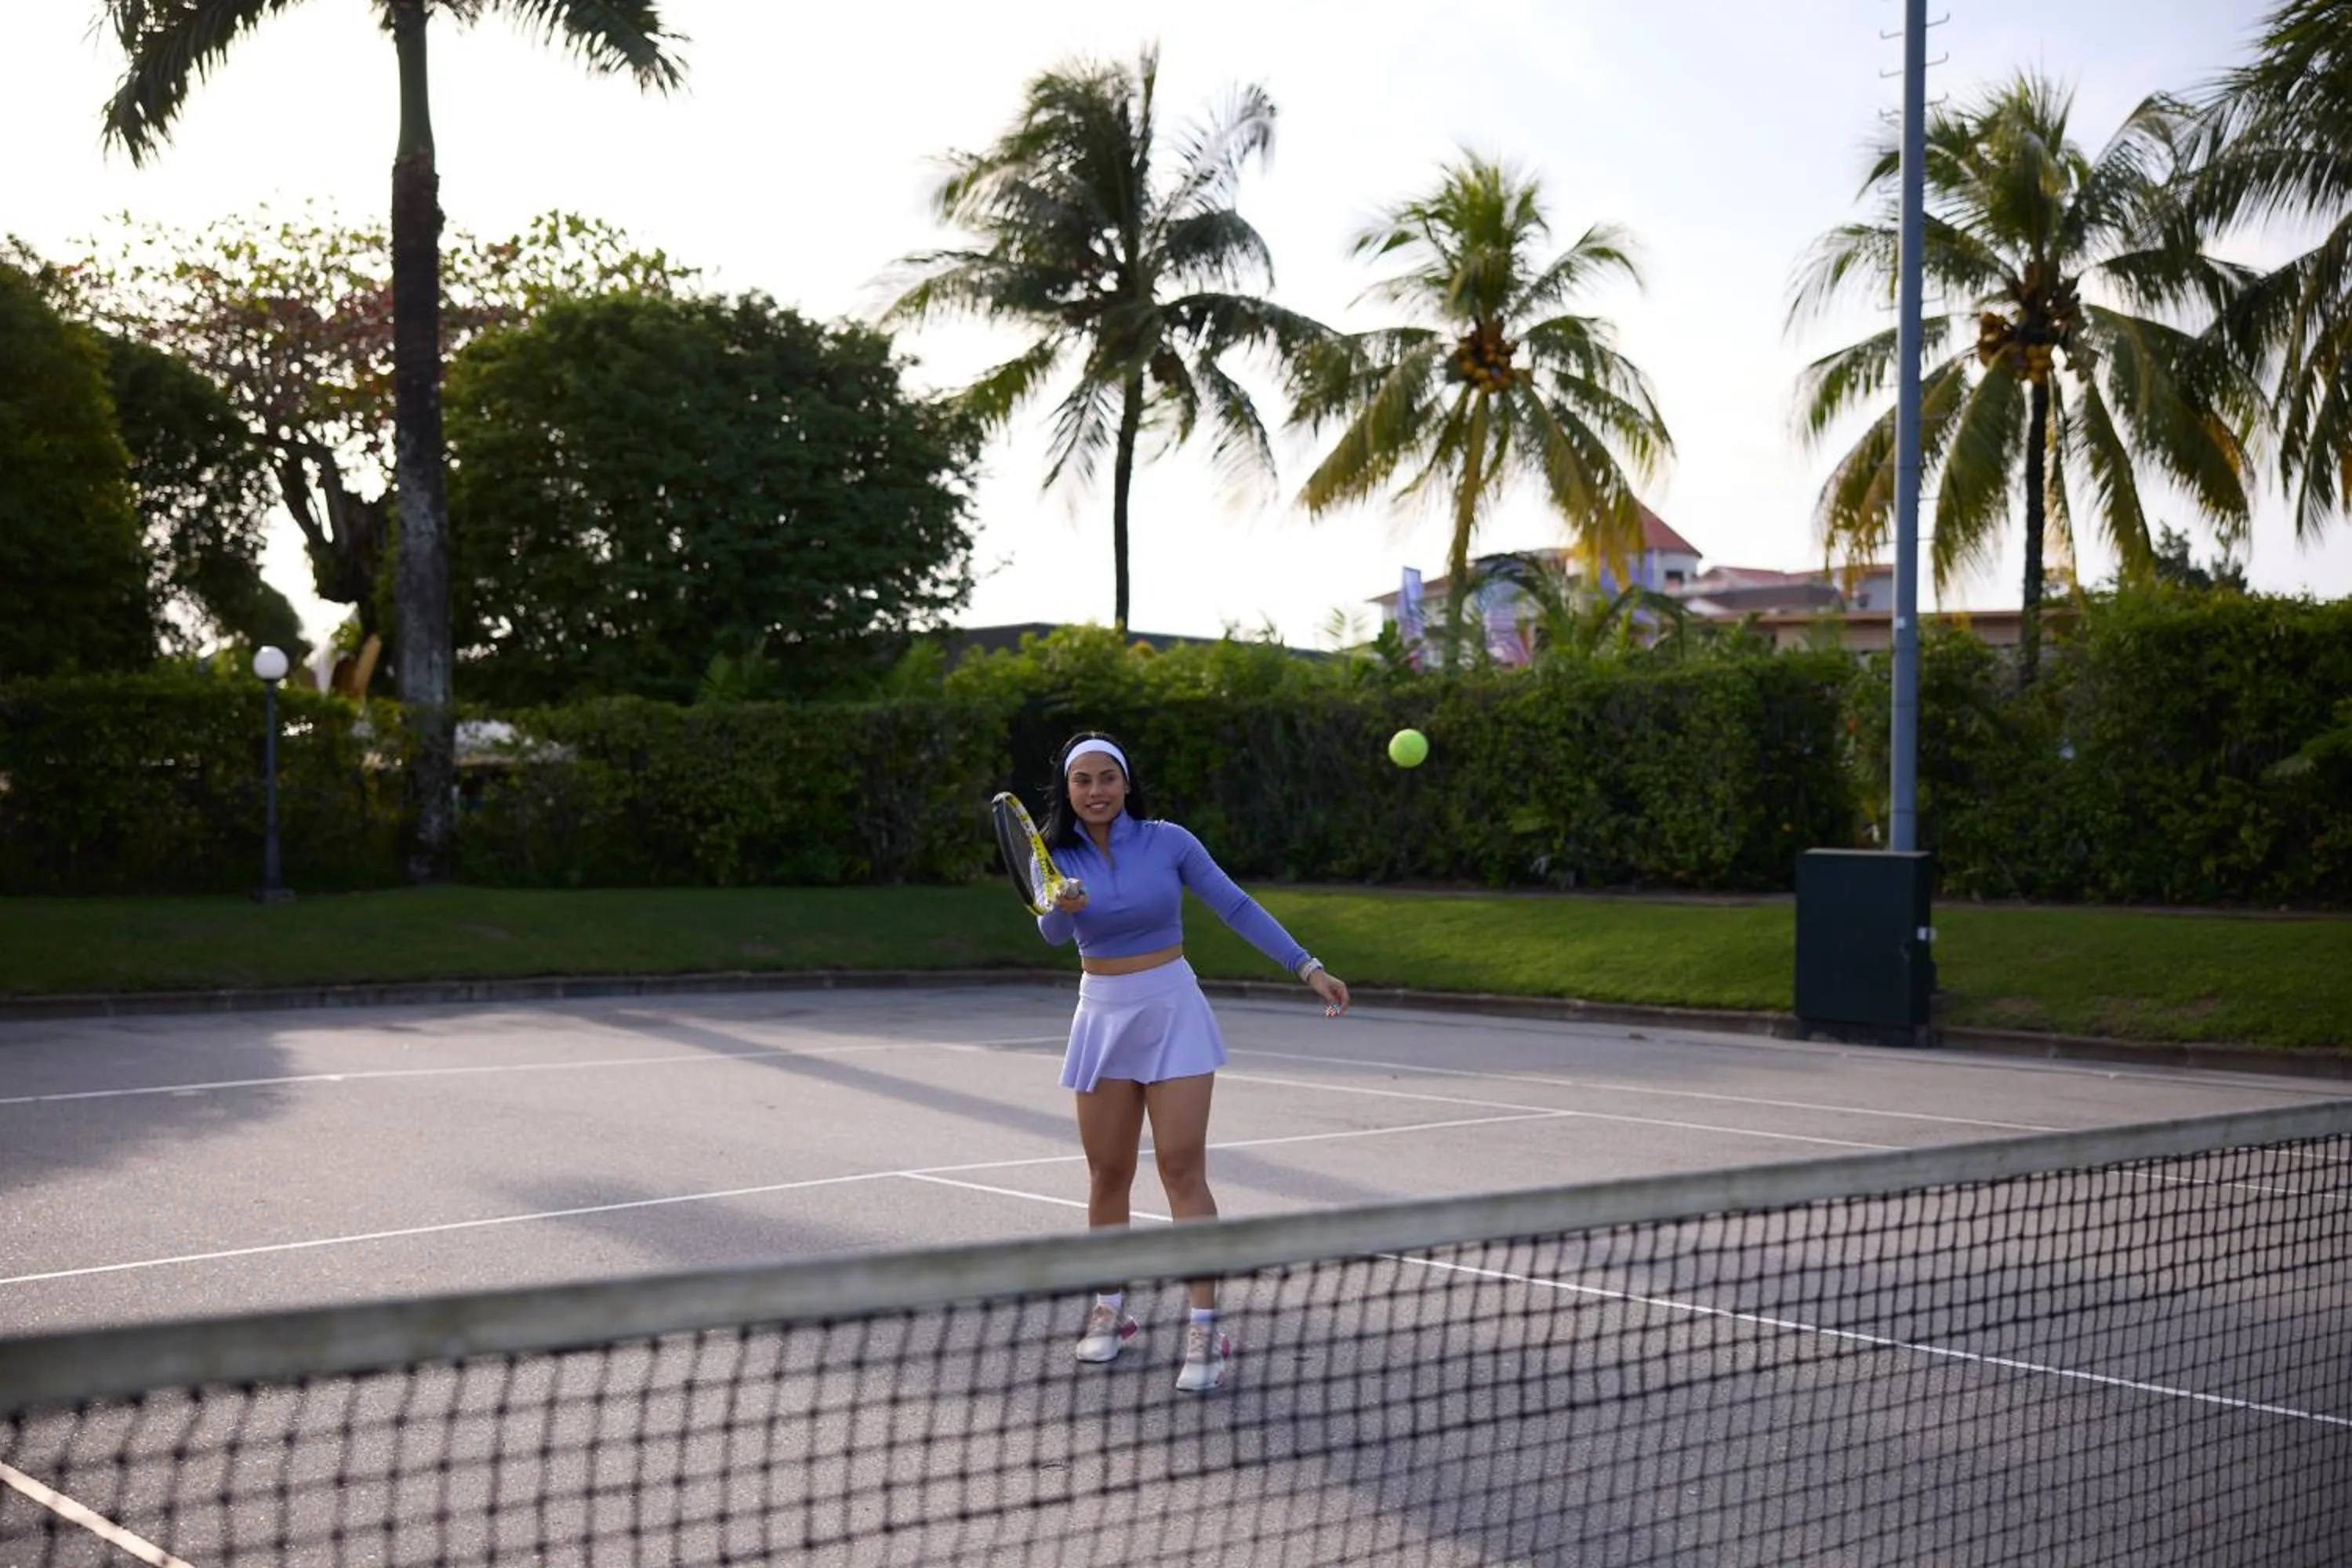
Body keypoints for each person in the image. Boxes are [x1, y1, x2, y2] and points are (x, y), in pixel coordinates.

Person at [1031, 730, 1350, 1394]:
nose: (1096, 791)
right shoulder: (1052, 857)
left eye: (1107, 778)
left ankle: (1205, 1324)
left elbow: (1234, 904)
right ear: (1067, 790)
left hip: (1172, 1008)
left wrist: (1307, 966)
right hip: (1102, 1012)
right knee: (1108, 1174)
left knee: (1181, 1166)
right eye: (1082, 780)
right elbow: (1053, 932)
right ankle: (1110, 1310)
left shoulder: (1170, 840)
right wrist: (1061, 906)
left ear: (1126, 783)